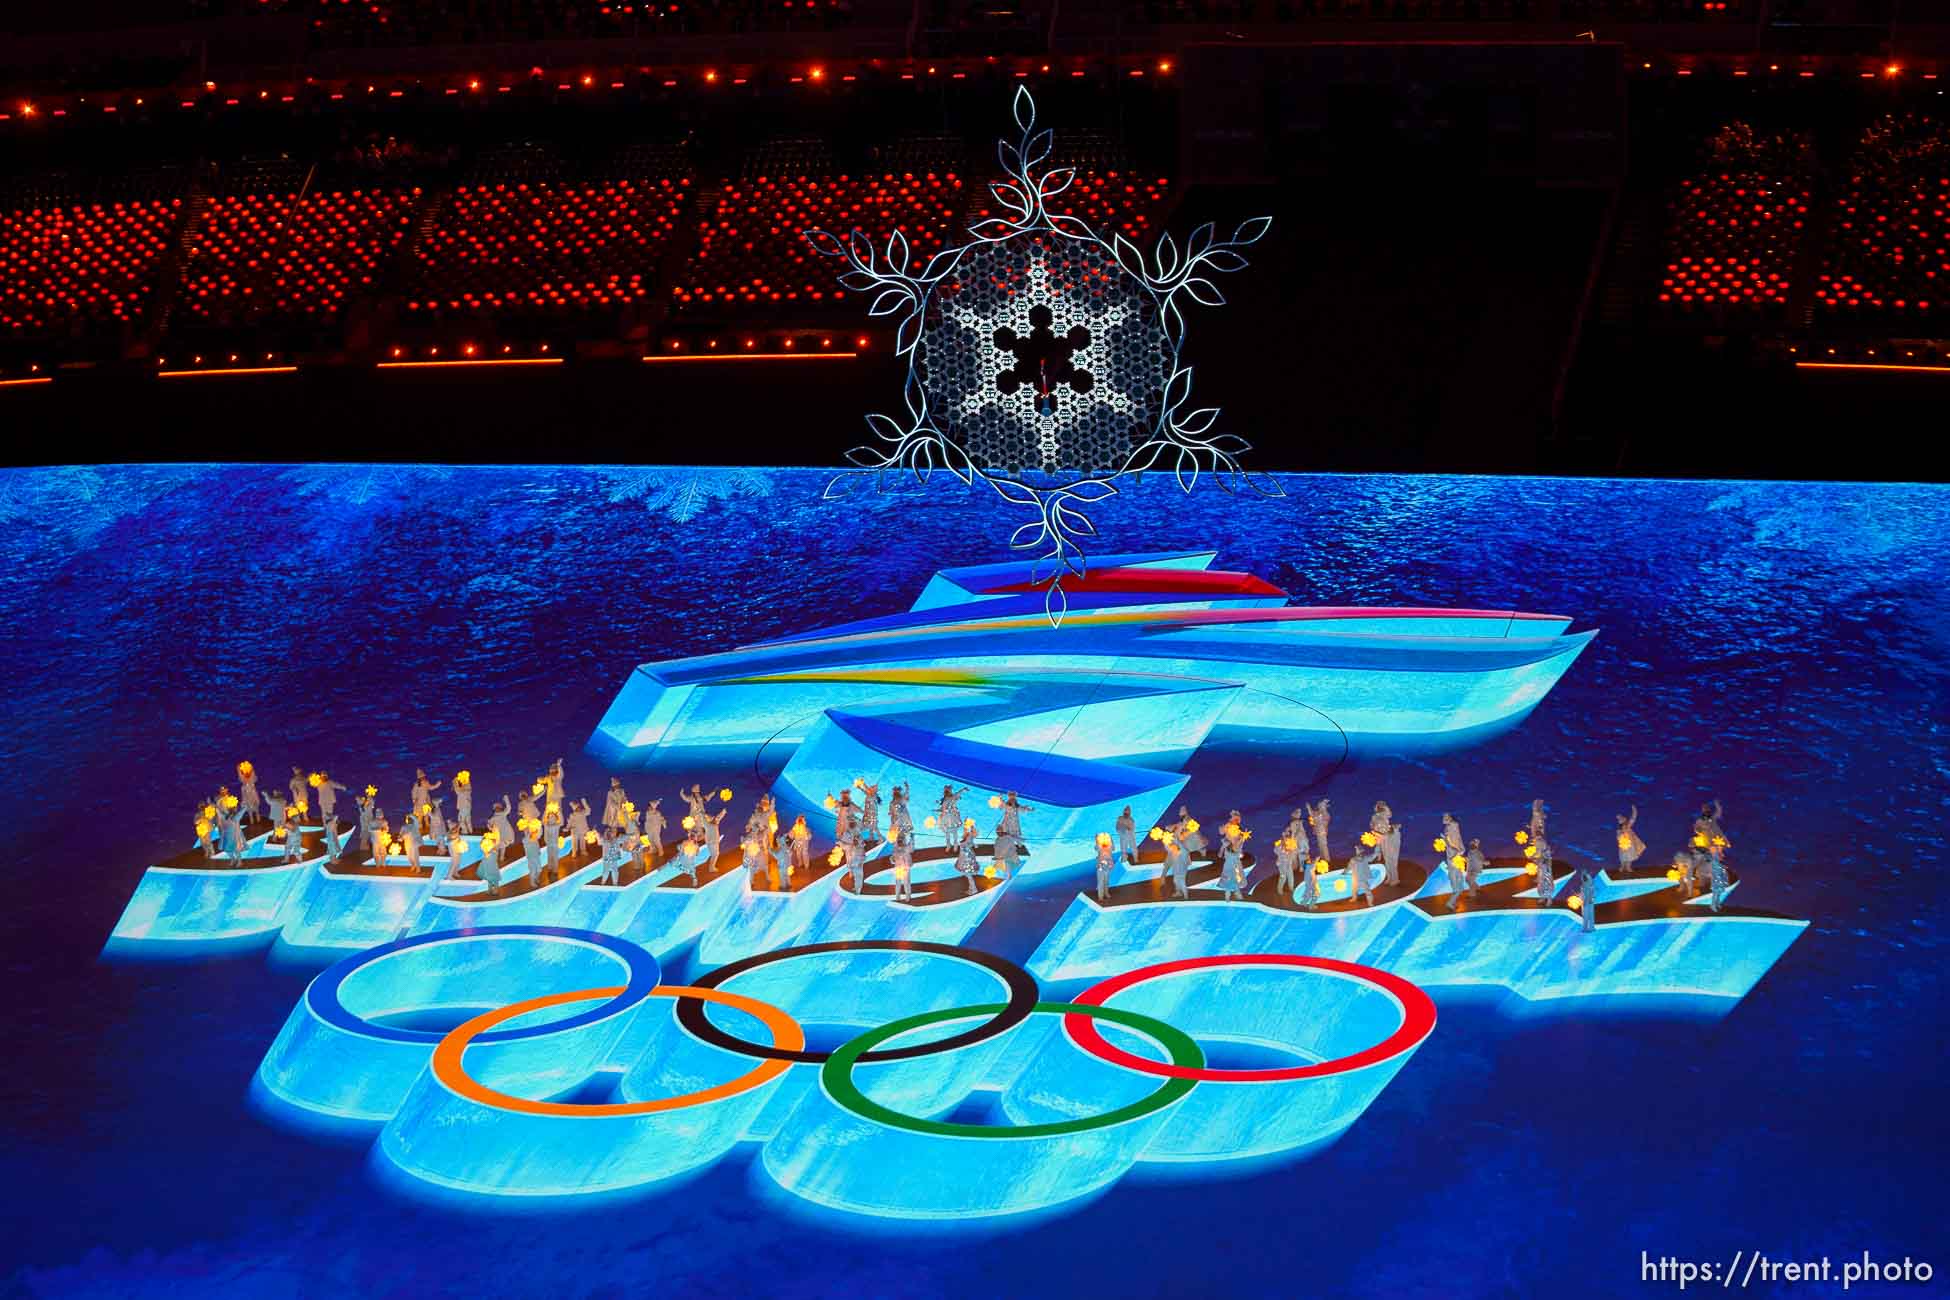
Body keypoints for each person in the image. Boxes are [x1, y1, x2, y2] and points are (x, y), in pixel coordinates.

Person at [1372, 801, 1402, 887]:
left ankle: (1395, 879)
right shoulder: (1375, 817)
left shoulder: (1384, 813)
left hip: (1392, 838)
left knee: (1392, 859)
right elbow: (1376, 830)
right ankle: (1390, 877)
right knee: (1387, 859)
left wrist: (1393, 828)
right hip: (1384, 838)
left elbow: (1389, 819)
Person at [1220, 826, 1248, 900]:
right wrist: (1222, 849)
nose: (1235, 837)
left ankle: (1236, 894)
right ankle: (1228, 896)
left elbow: (1240, 853)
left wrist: (1241, 854)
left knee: (1236, 881)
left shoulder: (1238, 844)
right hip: (1229, 866)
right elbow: (1220, 854)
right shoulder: (1227, 844)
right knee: (1229, 881)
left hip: (1236, 866)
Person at [937, 785, 968, 850]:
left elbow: (957, 794)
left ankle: (955, 846)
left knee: (954, 832)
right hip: (946, 817)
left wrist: (963, 790)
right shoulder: (944, 800)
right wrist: (941, 810)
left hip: (952, 817)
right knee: (947, 832)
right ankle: (948, 845)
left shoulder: (952, 798)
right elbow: (942, 807)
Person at [1616, 805, 1645, 874]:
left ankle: (1628, 867)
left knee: (1630, 856)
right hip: (1623, 847)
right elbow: (1618, 838)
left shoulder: (1628, 827)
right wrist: (1622, 836)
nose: (1624, 826)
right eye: (1622, 825)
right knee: (1623, 857)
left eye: (1625, 824)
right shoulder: (1619, 831)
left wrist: (1634, 811)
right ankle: (1622, 867)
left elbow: (1633, 818)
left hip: (1630, 846)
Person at [954, 820, 980, 894]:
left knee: (968, 873)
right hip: (966, 855)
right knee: (967, 873)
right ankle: (971, 888)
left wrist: (965, 844)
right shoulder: (968, 834)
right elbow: (971, 843)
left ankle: (973, 889)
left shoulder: (969, 835)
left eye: (966, 825)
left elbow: (967, 844)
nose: (964, 827)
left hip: (967, 857)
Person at [1165, 832, 1191, 899]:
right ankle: (1178, 892)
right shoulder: (1173, 853)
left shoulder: (1182, 853)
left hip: (1182, 872)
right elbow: (1167, 846)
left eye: (1173, 847)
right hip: (1176, 871)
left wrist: (1177, 840)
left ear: (1177, 848)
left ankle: (1186, 895)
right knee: (1175, 881)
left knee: (1182, 883)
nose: (1171, 848)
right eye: (1171, 847)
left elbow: (1183, 848)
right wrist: (1166, 840)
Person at [1306, 799, 1332, 864]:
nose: (1320, 807)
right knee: (1320, 845)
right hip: (1318, 831)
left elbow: (1326, 820)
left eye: (1321, 806)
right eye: (1320, 806)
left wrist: (1324, 803)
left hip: (1322, 831)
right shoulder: (1317, 813)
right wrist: (1309, 808)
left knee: (1324, 845)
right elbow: (1312, 814)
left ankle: (1327, 859)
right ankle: (1323, 859)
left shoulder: (1326, 814)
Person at [1533, 831, 1554, 906]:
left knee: (1546, 881)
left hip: (1545, 864)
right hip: (1542, 864)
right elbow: (1538, 853)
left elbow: (1538, 853)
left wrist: (1533, 857)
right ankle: (1542, 897)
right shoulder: (1539, 842)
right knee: (1541, 881)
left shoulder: (1540, 842)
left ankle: (1549, 899)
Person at [1576, 861, 1598, 932]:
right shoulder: (1584, 883)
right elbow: (1584, 891)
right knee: (1586, 915)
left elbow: (1592, 891)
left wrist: (1591, 898)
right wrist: (1582, 899)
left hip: (1589, 901)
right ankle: (1585, 928)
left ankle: (1591, 927)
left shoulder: (1589, 882)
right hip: (1586, 901)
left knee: (1590, 915)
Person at [892, 836, 915, 901]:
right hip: (898, 867)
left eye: (901, 840)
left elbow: (912, 849)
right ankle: (897, 895)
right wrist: (892, 860)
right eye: (899, 840)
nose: (900, 842)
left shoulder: (906, 848)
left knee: (906, 882)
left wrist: (912, 839)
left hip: (905, 868)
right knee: (898, 882)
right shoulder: (895, 848)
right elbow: (893, 857)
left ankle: (907, 895)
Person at [1095, 834, 1115, 901]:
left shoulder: (1110, 846)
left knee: (1106, 881)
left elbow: (1113, 848)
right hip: (1101, 866)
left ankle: (1106, 893)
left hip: (1108, 865)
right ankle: (1100, 897)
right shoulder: (1099, 847)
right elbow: (1096, 848)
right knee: (1101, 881)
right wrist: (1097, 839)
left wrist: (1111, 839)